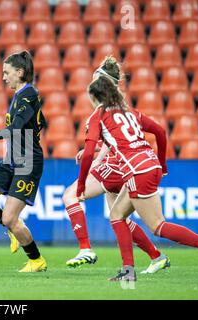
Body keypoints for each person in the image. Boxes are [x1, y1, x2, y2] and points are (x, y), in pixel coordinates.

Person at [77, 69, 198, 282]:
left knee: (158, 226)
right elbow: (161, 132)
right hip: (149, 163)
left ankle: (131, 271)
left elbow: (89, 153)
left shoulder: (97, 116)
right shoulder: (130, 112)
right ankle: (128, 271)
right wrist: (162, 163)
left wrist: (81, 186)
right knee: (117, 215)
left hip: (136, 171)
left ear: (94, 97)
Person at [62, 57, 170, 274]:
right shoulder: (121, 106)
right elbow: (117, 138)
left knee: (70, 196)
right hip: (127, 166)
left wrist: (96, 159)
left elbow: (117, 143)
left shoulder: (102, 109)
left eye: (96, 77)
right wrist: (96, 153)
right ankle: (155, 257)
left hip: (118, 166)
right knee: (119, 217)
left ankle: (85, 249)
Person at [0, 51, 48, 272]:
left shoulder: (29, 93)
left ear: (20, 72)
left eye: (7, 72)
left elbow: (16, 128)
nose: (4, 77)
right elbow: (40, 121)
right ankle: (10, 227)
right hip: (11, 160)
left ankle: (36, 260)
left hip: (28, 162)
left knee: (12, 218)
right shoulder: (21, 96)